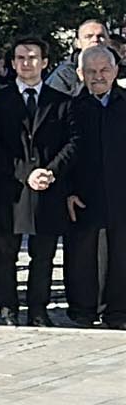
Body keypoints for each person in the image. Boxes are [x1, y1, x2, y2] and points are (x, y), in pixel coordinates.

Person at [0, 40, 73, 326]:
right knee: (5, 253)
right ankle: (8, 308)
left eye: (32, 57)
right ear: (12, 63)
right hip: (9, 190)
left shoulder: (62, 101)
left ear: (44, 62)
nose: (26, 63)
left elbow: (72, 143)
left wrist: (50, 172)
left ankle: (38, 310)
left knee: (43, 255)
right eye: (20, 58)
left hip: (48, 188)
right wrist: (23, 173)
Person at [56, 45, 125, 326]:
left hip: (122, 191)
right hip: (82, 193)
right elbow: (63, 151)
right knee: (82, 254)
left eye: (104, 70)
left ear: (116, 71)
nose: (99, 76)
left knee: (121, 254)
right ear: (81, 74)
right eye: (91, 71)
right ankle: (83, 310)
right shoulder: (70, 107)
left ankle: (118, 311)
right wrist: (67, 191)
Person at [44, 17, 109, 94]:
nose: (95, 40)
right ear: (78, 43)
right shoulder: (63, 76)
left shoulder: (119, 69)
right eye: (88, 36)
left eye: (101, 36)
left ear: (109, 41)